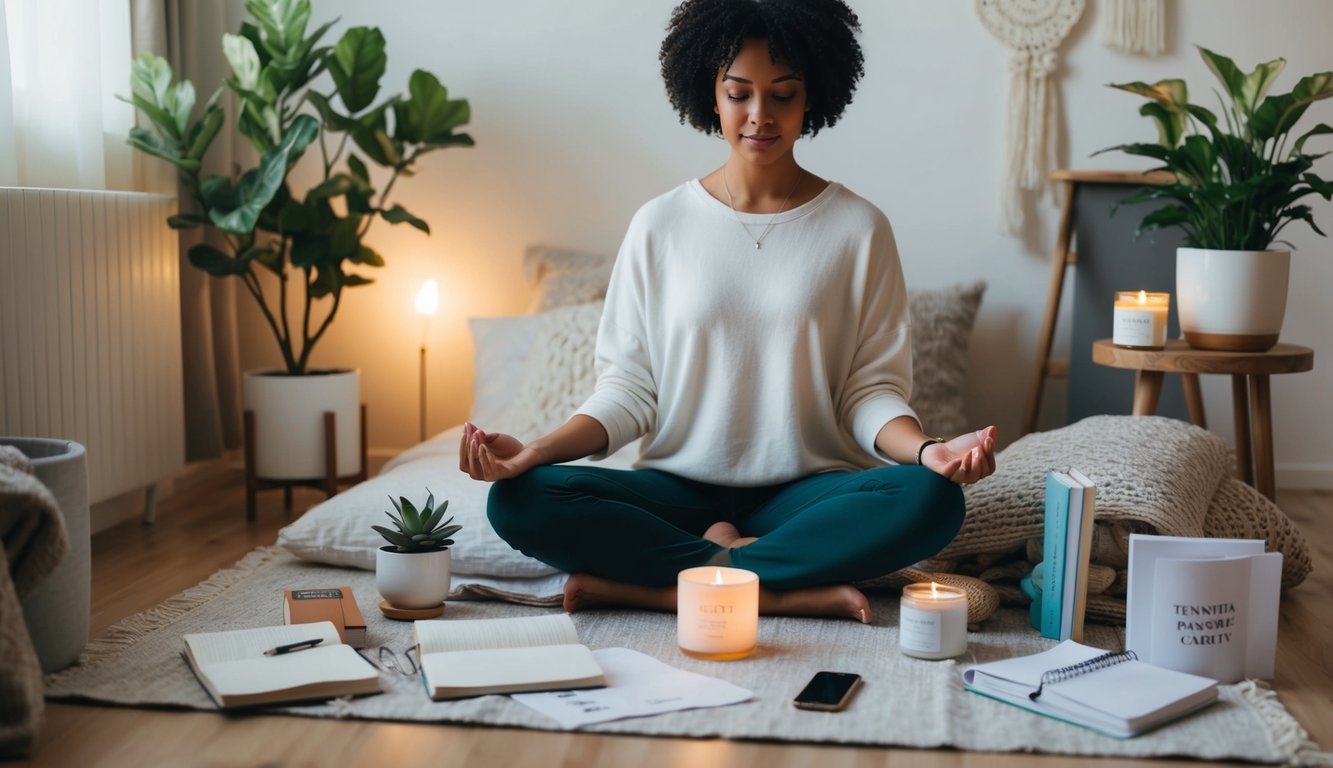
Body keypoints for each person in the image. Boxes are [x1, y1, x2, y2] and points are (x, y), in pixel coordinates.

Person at [460, 0, 997, 624]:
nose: (759, 116)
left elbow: (868, 391)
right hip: (676, 490)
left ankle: (665, 586)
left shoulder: (859, 228)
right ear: (709, 93)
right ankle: (780, 586)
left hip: (803, 494)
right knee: (519, 500)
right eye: (739, 93)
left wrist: (928, 450)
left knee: (932, 500)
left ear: (812, 97)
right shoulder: (659, 224)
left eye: (783, 95)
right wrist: (534, 453)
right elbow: (629, 389)